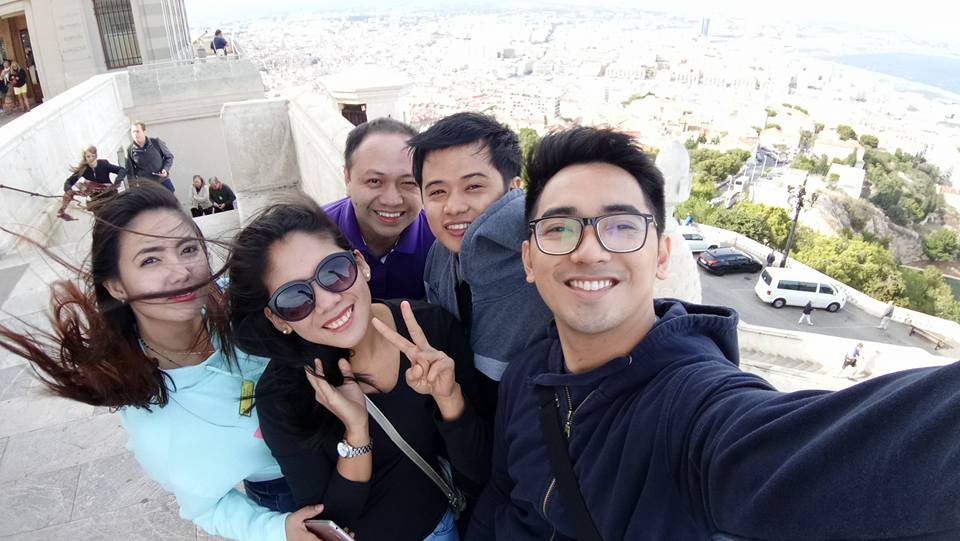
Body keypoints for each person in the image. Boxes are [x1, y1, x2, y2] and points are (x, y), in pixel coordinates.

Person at [470, 126, 960, 540]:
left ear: (661, 256)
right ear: (529, 260)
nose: (590, 250)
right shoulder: (527, 374)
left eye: (621, 227)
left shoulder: (692, 408)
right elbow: (501, 494)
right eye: (559, 228)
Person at [0, 183, 328, 541]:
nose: (181, 271)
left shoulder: (240, 306)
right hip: (291, 493)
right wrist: (277, 529)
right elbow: (205, 508)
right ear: (116, 286)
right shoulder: (158, 427)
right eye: (150, 260)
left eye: (188, 249)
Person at [226, 200, 491, 541]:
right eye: (295, 298)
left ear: (360, 263)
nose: (328, 302)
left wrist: (449, 398)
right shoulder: (282, 395)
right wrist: (356, 435)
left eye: (333, 272)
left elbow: (479, 473)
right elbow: (329, 524)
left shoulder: (430, 332)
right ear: (278, 320)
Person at [408, 112, 553, 414]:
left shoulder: (547, 267)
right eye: (437, 192)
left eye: (473, 187)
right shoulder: (439, 255)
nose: (453, 207)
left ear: (513, 188)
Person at [323, 117, 435, 300]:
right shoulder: (315, 234)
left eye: (408, 182)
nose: (392, 200)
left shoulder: (439, 242)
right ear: (348, 179)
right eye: (374, 181)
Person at [57, 145, 126, 221]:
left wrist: (117, 181)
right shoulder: (83, 170)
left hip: (110, 195)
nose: (91, 159)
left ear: (96, 156)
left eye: (93, 156)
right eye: (88, 156)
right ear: (85, 158)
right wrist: (68, 190)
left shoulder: (104, 164)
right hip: (96, 201)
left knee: (119, 216)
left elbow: (122, 170)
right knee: (102, 220)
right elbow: (69, 181)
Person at [126, 121, 175, 192]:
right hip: (147, 187)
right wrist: (134, 190)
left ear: (144, 132)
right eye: (133, 132)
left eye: (137, 131)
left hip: (163, 182)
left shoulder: (156, 142)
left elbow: (169, 157)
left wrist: (165, 169)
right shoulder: (130, 150)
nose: (135, 134)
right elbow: (130, 173)